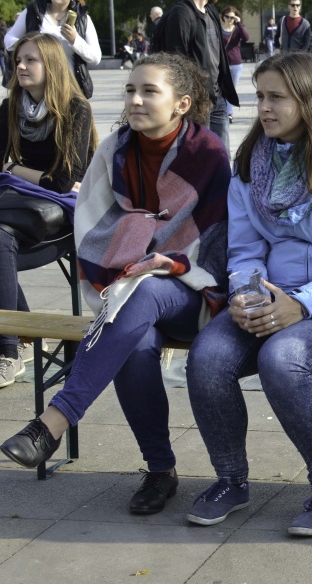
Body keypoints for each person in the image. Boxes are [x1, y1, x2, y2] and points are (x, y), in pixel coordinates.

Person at [0, 53, 231, 517]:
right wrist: (141, 240)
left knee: (142, 292)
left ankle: (55, 419)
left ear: (182, 104)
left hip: (195, 290)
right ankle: (160, 470)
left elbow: (217, 241)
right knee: (136, 341)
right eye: (130, 90)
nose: (135, 100)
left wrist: (160, 255)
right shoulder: (115, 150)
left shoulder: (207, 154)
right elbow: (92, 222)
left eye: (149, 91)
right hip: (128, 288)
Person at [184, 52, 312, 536]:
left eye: (276, 97)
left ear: (309, 100)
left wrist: (300, 305)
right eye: (260, 96)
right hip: (275, 297)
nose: (264, 108)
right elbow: (244, 250)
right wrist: (247, 295)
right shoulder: (251, 163)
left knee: (282, 359)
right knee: (207, 358)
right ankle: (230, 481)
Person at [0, 32, 98, 388]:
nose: (21, 66)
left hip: (63, 211)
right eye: (18, 60)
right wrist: (28, 175)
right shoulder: (11, 106)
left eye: (31, 60)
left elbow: (64, 181)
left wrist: (14, 169)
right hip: (21, 204)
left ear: (52, 65)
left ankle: (7, 350)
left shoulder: (75, 109)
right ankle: (22, 335)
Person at [152, 0, 239, 148]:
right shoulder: (181, 15)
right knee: (199, 155)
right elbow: (176, 63)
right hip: (197, 102)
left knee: (221, 155)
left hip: (217, 97)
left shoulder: (211, 11)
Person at [3, 0, 102, 97]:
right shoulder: (33, 12)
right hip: (36, 91)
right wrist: (29, 46)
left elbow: (95, 58)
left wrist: (75, 40)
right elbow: (8, 38)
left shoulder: (83, 19)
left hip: (68, 90)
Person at [220, 6, 249, 123]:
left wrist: (239, 23)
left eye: (231, 17)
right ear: (223, 17)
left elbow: (246, 38)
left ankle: (229, 113)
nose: (229, 19)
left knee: (231, 89)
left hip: (235, 64)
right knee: (221, 89)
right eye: (227, 16)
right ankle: (223, 111)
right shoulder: (219, 29)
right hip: (222, 64)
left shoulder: (237, 29)